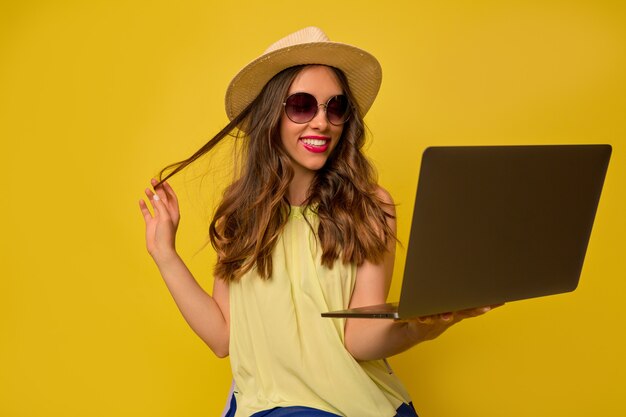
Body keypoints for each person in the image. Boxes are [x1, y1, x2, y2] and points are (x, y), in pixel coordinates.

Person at [139, 27, 494, 417]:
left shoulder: (371, 206)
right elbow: (224, 338)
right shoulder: (241, 214)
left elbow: (357, 339)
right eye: (303, 105)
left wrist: (424, 326)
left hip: (359, 406)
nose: (322, 122)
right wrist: (165, 254)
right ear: (271, 115)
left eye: (336, 107)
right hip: (271, 405)